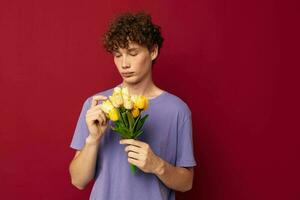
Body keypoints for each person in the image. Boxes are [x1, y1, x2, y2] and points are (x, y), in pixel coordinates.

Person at [69, 11, 196, 200]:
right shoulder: (96, 105)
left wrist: (158, 165)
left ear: (153, 51)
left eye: (132, 53)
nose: (124, 64)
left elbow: (186, 183)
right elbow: (78, 181)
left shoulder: (178, 110)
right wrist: (92, 140)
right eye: (118, 55)